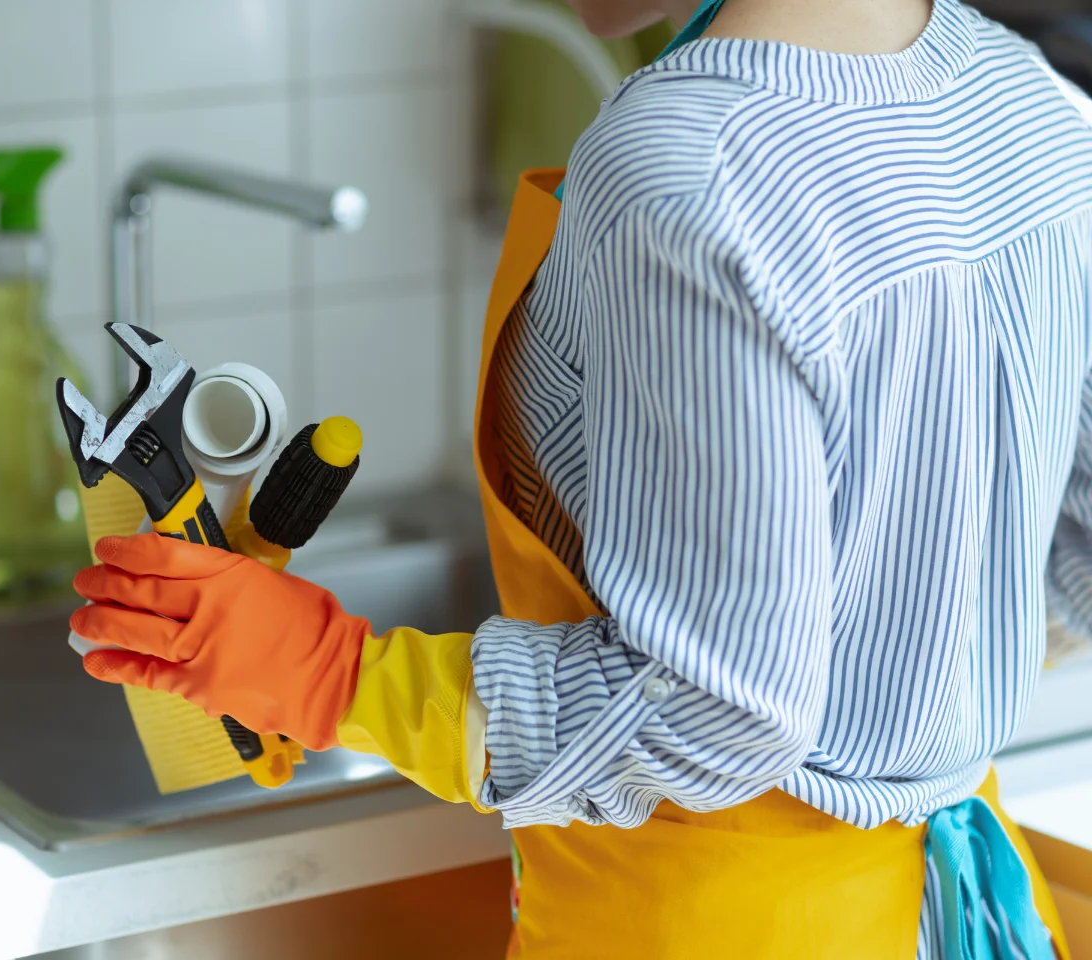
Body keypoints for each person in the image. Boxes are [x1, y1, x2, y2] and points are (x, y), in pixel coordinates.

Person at [67, 0, 1092, 955]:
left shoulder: (685, 169)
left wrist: (342, 678)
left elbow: (710, 716)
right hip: (958, 908)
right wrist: (912, 655)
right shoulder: (1027, 101)